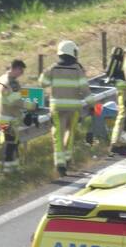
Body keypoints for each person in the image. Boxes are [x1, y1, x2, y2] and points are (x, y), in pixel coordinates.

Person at [39, 40, 94, 176]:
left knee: (58, 135)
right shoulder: (77, 69)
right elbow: (85, 89)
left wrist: (46, 72)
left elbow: (42, 83)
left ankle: (60, 164)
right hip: (74, 108)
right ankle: (68, 159)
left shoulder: (53, 68)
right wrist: (92, 105)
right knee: (70, 133)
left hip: (57, 108)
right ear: (73, 52)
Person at [0, 59, 36, 174]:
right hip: (9, 119)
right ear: (15, 68)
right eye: (21, 70)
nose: (22, 73)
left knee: (10, 142)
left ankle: (9, 168)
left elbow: (15, 96)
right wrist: (31, 105)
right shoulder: (11, 82)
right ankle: (7, 171)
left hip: (2, 117)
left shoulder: (1, 79)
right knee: (11, 144)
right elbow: (15, 100)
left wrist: (32, 94)